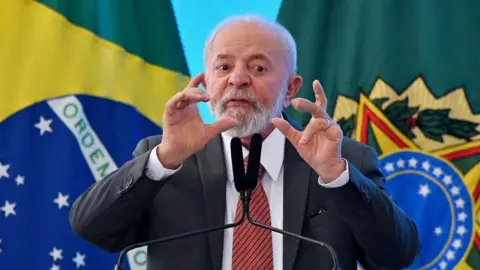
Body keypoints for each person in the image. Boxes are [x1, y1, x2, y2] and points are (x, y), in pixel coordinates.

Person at [69, 14, 421, 270]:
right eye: (223, 68)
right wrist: (165, 159)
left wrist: (337, 176)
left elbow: (396, 255)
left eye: (258, 68)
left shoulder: (344, 161)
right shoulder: (164, 159)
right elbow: (92, 229)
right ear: (205, 83)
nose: (238, 79)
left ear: (291, 89)